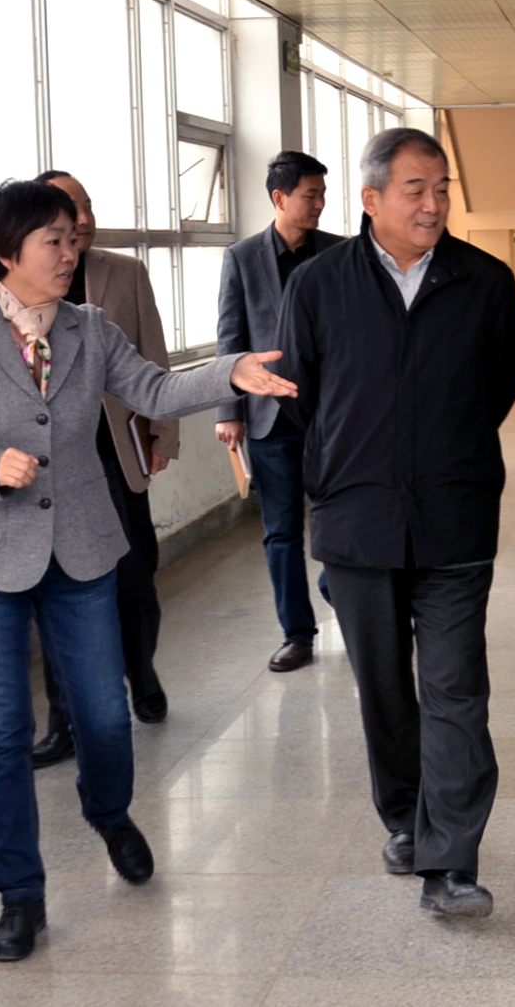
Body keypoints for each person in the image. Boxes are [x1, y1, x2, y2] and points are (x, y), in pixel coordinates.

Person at [0, 179, 295, 961]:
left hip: (80, 548)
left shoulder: (89, 328)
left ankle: (108, 813)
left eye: (72, 238)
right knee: (2, 733)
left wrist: (230, 372)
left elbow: (154, 387)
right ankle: (20, 895)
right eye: (53, 240)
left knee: (106, 718)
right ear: (6, 252)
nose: (71, 251)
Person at [274, 128, 515, 917]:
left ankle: (450, 862)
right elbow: (303, 393)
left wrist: (442, 451)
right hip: (357, 518)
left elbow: (500, 384)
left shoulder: (485, 282)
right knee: (384, 690)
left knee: (456, 692)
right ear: (371, 199)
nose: (433, 203)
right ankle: (406, 819)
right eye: (416, 189)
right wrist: (356, 456)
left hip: (454, 516)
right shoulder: (318, 285)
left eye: (442, 188)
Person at [26, 170, 176, 770]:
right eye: (70, 210)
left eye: (87, 207)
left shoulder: (124, 273)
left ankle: (141, 672)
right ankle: (63, 722)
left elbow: (153, 356)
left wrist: (163, 435)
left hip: (115, 455)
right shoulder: (4, 287)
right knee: (57, 594)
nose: (83, 220)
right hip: (50, 471)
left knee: (135, 580)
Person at [216, 151, 346, 673]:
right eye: (310, 195)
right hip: (270, 418)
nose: (319, 204)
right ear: (280, 197)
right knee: (282, 531)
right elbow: (230, 338)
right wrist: (228, 411)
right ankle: (297, 633)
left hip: (333, 416)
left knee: (345, 519)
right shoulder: (242, 258)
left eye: (323, 195)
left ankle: (339, 590)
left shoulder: (340, 252)